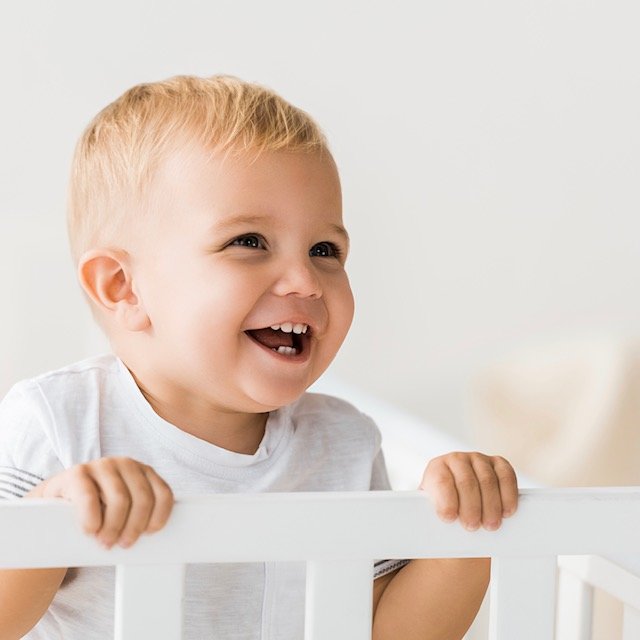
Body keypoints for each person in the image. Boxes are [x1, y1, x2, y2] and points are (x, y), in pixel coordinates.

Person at [0, 74, 518, 640]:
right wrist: (47, 520)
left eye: (325, 250)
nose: (306, 281)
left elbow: (384, 632)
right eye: (248, 242)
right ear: (123, 287)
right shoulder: (58, 422)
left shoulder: (343, 444)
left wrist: (459, 537)